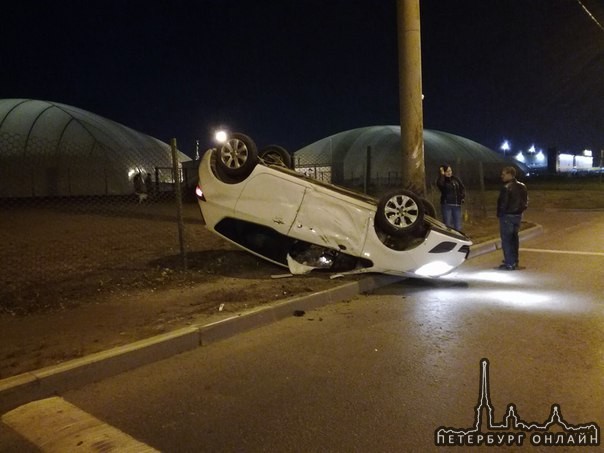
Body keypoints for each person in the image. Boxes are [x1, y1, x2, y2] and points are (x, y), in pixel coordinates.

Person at [496, 166, 528, 270]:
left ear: (510, 174)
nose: (502, 176)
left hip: (507, 216)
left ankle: (509, 263)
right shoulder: (522, 186)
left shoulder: (506, 188)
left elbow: (503, 203)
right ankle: (514, 261)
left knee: (506, 240)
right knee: (514, 239)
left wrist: (500, 214)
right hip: (517, 216)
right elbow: (525, 202)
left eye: (504, 174)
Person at [436, 164, 465, 230]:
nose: (449, 173)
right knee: (447, 224)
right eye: (447, 171)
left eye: (450, 171)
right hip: (447, 204)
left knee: (457, 225)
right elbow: (440, 185)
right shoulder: (442, 180)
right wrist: (442, 175)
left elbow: (462, 188)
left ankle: (457, 238)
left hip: (457, 204)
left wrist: (462, 196)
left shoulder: (455, 179)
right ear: (443, 172)